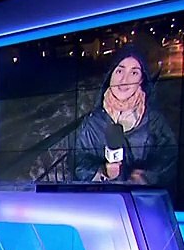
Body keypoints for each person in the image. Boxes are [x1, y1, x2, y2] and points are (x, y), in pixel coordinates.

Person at [73, 48, 178, 186]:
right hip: (110, 203)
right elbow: (80, 165)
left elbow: (169, 157)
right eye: (119, 71)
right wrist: (103, 172)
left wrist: (147, 177)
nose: (124, 80)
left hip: (143, 202)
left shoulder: (154, 120)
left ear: (141, 80)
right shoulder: (92, 123)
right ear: (110, 76)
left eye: (134, 73)